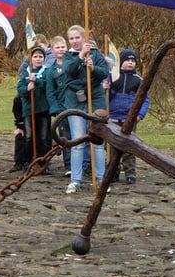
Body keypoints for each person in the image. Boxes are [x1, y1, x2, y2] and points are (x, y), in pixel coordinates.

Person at [63, 25, 109, 194]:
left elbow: (104, 72)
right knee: (77, 142)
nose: (75, 41)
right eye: (72, 39)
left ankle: (101, 179)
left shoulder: (95, 54)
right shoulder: (68, 55)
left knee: (97, 141)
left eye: (77, 38)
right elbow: (69, 71)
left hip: (95, 99)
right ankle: (75, 181)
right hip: (75, 100)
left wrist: (93, 68)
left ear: (84, 38)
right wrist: (80, 56)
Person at [105, 49, 149, 185]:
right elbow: (107, 97)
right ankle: (113, 172)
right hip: (112, 117)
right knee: (112, 147)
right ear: (120, 62)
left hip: (128, 118)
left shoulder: (138, 80)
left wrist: (140, 114)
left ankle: (130, 173)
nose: (130, 63)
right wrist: (106, 88)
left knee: (129, 147)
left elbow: (145, 98)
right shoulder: (113, 77)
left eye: (133, 61)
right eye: (127, 60)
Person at [17, 46, 52, 173]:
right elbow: (20, 89)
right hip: (28, 110)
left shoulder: (47, 71)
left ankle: (44, 162)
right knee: (29, 137)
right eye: (35, 56)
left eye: (40, 57)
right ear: (31, 59)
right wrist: (27, 88)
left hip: (43, 110)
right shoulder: (26, 73)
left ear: (44, 58)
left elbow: (48, 86)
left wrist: (37, 81)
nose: (38, 59)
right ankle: (28, 161)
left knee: (43, 137)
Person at [45, 35, 71, 176]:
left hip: (75, 106)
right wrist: (55, 108)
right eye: (58, 47)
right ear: (52, 50)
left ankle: (84, 164)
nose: (61, 50)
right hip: (62, 108)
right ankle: (69, 166)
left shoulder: (72, 64)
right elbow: (50, 92)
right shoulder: (51, 71)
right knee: (65, 137)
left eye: (62, 47)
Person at [8, 94, 29, 172]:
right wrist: (20, 126)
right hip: (23, 123)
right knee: (20, 137)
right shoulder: (18, 99)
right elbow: (17, 113)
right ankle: (19, 163)